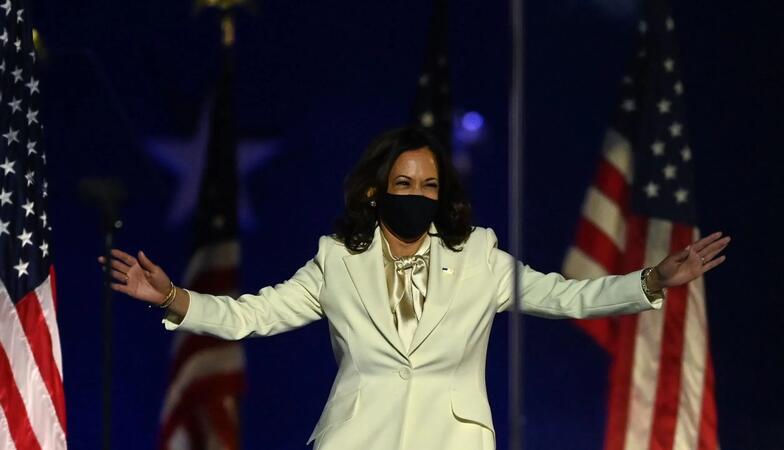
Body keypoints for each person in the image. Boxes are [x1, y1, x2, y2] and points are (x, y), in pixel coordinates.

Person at [98, 127, 729, 450]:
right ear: (377, 192)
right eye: (405, 185)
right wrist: (173, 298)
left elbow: (567, 297)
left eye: (429, 187)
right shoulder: (337, 260)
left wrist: (653, 279)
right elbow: (253, 315)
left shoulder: (479, 256)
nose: (418, 196)